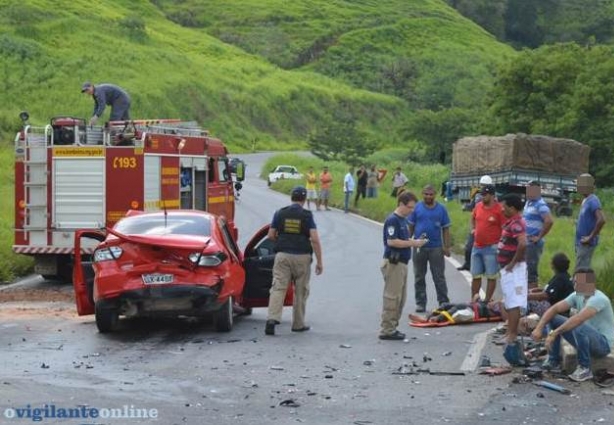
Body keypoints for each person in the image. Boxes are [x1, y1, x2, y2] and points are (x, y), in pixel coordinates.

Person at [531, 268, 614, 382]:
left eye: (578, 282)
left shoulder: (598, 299)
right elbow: (554, 308)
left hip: (602, 345)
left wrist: (554, 333)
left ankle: (585, 368)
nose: (575, 285)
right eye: (574, 282)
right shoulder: (577, 295)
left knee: (577, 324)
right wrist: (539, 328)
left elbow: (579, 319)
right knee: (553, 318)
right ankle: (553, 360)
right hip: (584, 338)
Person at [265, 186, 323, 336]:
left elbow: (270, 235)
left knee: (278, 287)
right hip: (302, 257)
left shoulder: (280, 213)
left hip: (282, 256)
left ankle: (272, 319)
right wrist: (319, 261)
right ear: (304, 200)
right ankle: (298, 324)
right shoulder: (306, 215)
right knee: (300, 291)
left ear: (291, 198)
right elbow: (315, 239)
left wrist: (282, 241)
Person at [379, 191, 428, 340]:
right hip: (394, 263)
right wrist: (413, 243)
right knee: (392, 297)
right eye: (409, 207)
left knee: (401, 298)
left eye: (413, 208)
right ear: (401, 204)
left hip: (402, 263)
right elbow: (392, 241)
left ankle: (392, 327)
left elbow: (403, 239)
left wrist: (414, 240)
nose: (411, 211)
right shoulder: (393, 220)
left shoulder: (403, 221)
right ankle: (387, 329)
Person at [407, 184, 451, 312]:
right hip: (419, 247)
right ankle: (420, 303)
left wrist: (446, 246)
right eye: (426, 194)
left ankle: (443, 302)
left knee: (439, 276)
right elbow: (411, 226)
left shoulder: (441, 209)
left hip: (436, 248)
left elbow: (446, 228)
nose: (428, 196)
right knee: (419, 276)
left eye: (431, 194)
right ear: (422, 194)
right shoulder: (417, 208)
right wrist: (408, 242)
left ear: (435, 195)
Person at [497, 194, 528, 366]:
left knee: (514, 301)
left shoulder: (516, 223)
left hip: (514, 270)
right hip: (510, 268)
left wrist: (512, 263)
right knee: (509, 301)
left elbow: (522, 244)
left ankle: (512, 334)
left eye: (504, 206)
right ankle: (510, 332)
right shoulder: (513, 222)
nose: (502, 209)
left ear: (512, 208)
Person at [470, 184, 505, 302]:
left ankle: (487, 300)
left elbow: (504, 226)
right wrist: (473, 228)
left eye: (485, 195)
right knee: (475, 275)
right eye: (482, 194)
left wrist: (501, 243)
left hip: (491, 247)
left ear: (492, 196)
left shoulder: (499, 209)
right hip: (477, 246)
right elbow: (473, 217)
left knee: (491, 276)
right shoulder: (478, 206)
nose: (482, 197)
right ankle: (473, 299)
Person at [458, 175, 493, 271]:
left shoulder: (494, 198)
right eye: (482, 185)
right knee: (469, 247)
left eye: (485, 185)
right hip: (476, 226)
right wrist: (465, 207)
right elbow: (471, 206)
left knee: (486, 249)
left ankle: (485, 267)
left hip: (488, 227)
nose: (483, 187)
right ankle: (467, 264)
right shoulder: (477, 195)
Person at [523, 181, 554, 289]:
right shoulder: (528, 203)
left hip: (533, 243)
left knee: (531, 273)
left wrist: (539, 236)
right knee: (525, 271)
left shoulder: (540, 204)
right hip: (526, 240)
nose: (527, 192)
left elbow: (549, 221)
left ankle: (532, 299)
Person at [526, 252, 574, 317]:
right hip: (557, 306)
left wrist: (527, 296)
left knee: (527, 300)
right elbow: (547, 289)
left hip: (553, 309)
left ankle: (522, 317)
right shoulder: (564, 276)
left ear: (554, 265)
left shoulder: (560, 279)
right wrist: (532, 291)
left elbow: (546, 295)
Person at [575, 173, 606, 269]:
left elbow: (601, 220)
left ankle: (584, 284)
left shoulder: (593, 200)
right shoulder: (586, 200)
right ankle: (583, 284)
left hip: (587, 242)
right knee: (583, 268)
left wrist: (590, 237)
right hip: (581, 242)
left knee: (582, 270)